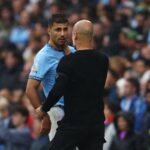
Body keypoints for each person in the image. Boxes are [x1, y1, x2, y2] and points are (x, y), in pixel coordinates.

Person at [36, 20, 109, 150]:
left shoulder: (67, 61)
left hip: (74, 123)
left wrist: (43, 108)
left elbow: (58, 90)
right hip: (96, 123)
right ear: (91, 37)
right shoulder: (103, 60)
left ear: (75, 36)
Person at [26, 14, 75, 141]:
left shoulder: (72, 51)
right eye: (58, 29)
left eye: (65, 29)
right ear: (49, 30)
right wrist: (44, 115)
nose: (63, 33)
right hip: (57, 112)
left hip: (76, 111)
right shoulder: (43, 56)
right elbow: (30, 89)